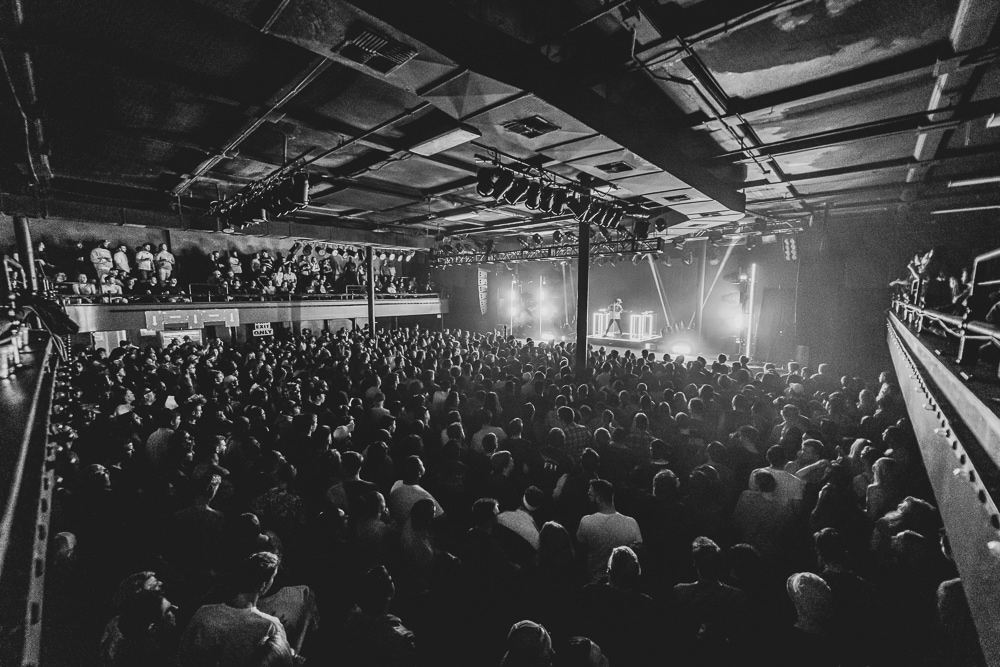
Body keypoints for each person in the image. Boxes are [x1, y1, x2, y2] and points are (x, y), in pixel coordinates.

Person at [176, 551, 299, 666]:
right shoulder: (271, 626)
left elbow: (181, 656)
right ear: (263, 585)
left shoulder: (204, 612)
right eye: (273, 578)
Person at [576, 479, 642, 582]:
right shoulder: (631, 523)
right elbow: (638, 551)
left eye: (590, 495)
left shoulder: (586, 521)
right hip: (622, 582)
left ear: (598, 499)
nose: (587, 498)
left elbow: (581, 553)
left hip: (593, 581)